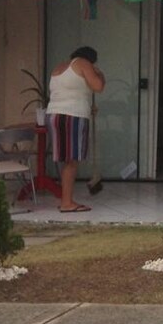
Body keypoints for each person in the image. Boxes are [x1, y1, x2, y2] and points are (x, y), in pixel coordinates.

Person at [46, 46, 106, 212]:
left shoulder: (60, 67)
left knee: (66, 159)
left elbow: (71, 91)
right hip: (72, 116)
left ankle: (65, 199)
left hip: (54, 115)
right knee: (72, 160)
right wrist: (99, 73)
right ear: (91, 59)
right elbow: (98, 86)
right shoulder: (83, 63)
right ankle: (67, 203)